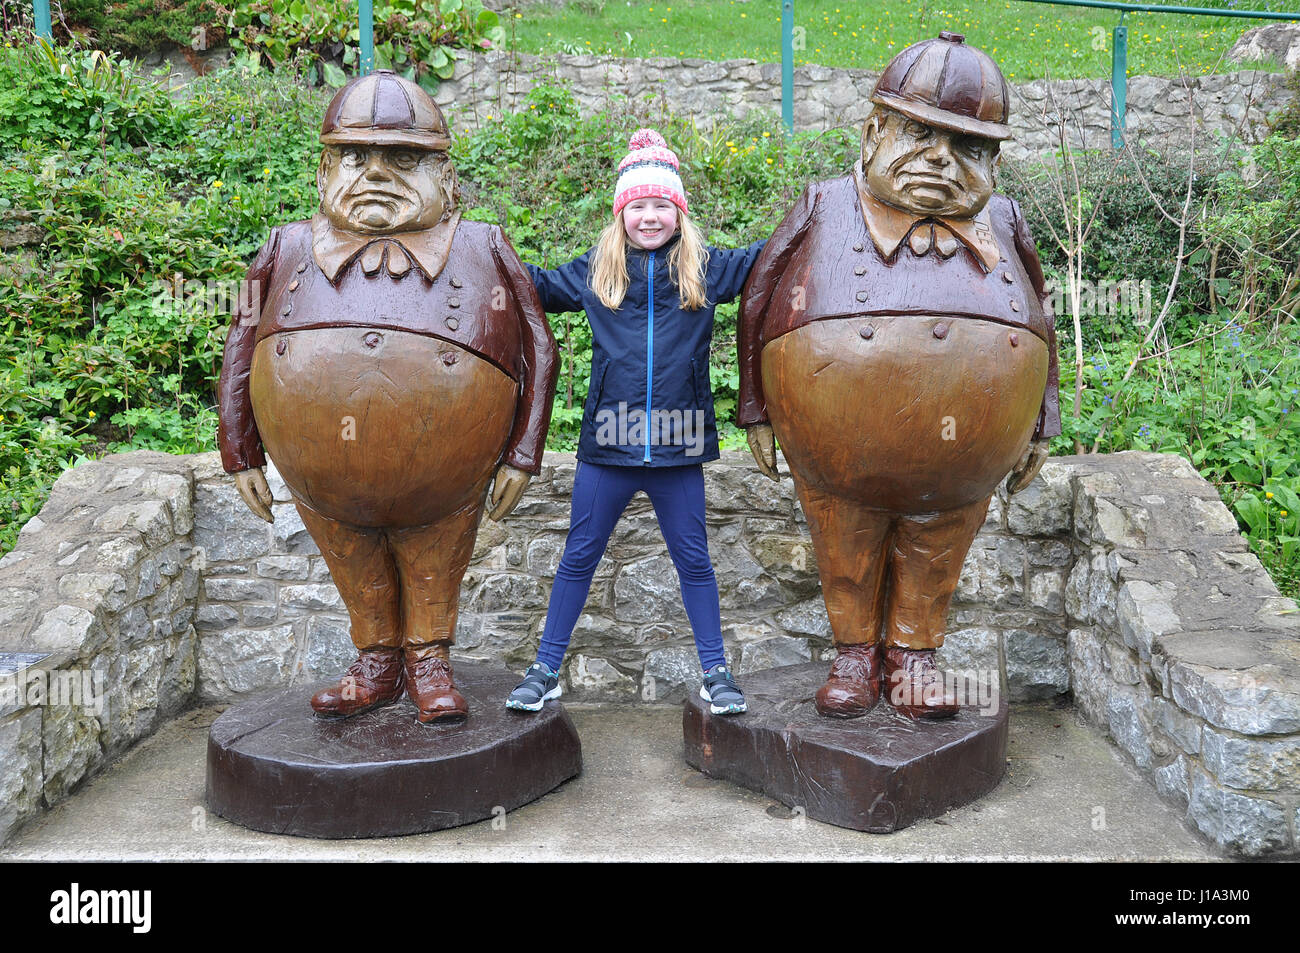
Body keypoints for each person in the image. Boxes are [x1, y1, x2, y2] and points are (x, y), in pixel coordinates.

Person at [505, 129, 765, 716]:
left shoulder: (708, 270)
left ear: (679, 211)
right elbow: (533, 286)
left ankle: (716, 672)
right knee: (579, 554)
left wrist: (827, 209)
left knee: (694, 559)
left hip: (677, 445)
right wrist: (479, 252)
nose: (650, 217)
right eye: (638, 206)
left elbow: (773, 257)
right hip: (609, 444)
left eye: (661, 206)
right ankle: (545, 668)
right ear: (622, 214)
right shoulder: (596, 272)